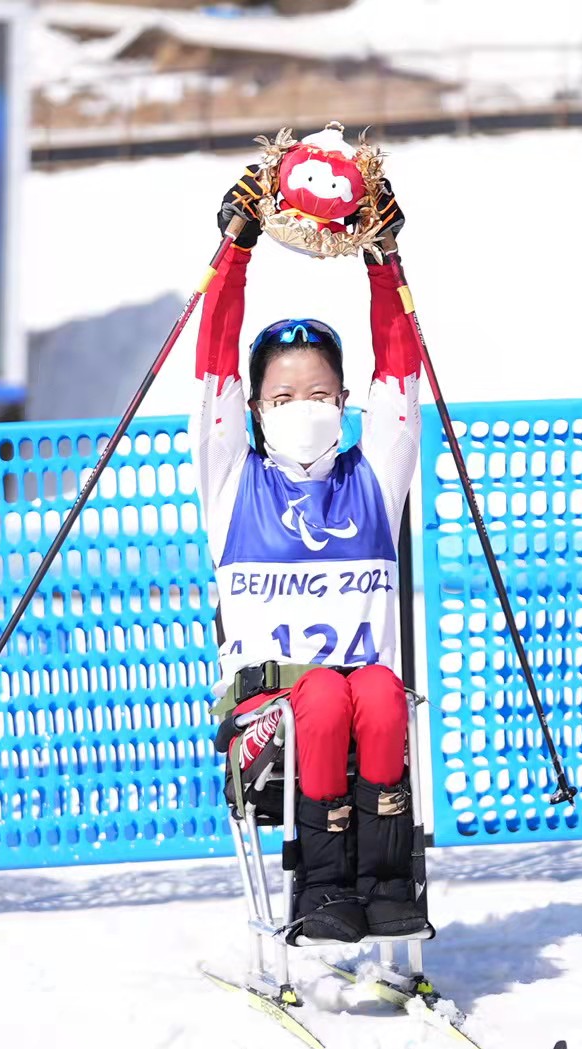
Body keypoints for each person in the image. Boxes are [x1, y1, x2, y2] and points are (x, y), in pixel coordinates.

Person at [192, 165, 426, 944]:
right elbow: (216, 365)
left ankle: (387, 885)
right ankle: (323, 888)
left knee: (382, 695)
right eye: (284, 398)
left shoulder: (372, 474)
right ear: (255, 412)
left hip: (366, 710)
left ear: (344, 403)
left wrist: (383, 258)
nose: (305, 410)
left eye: (321, 395)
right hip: (268, 714)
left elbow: (401, 369)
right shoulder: (231, 481)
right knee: (323, 694)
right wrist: (236, 247)